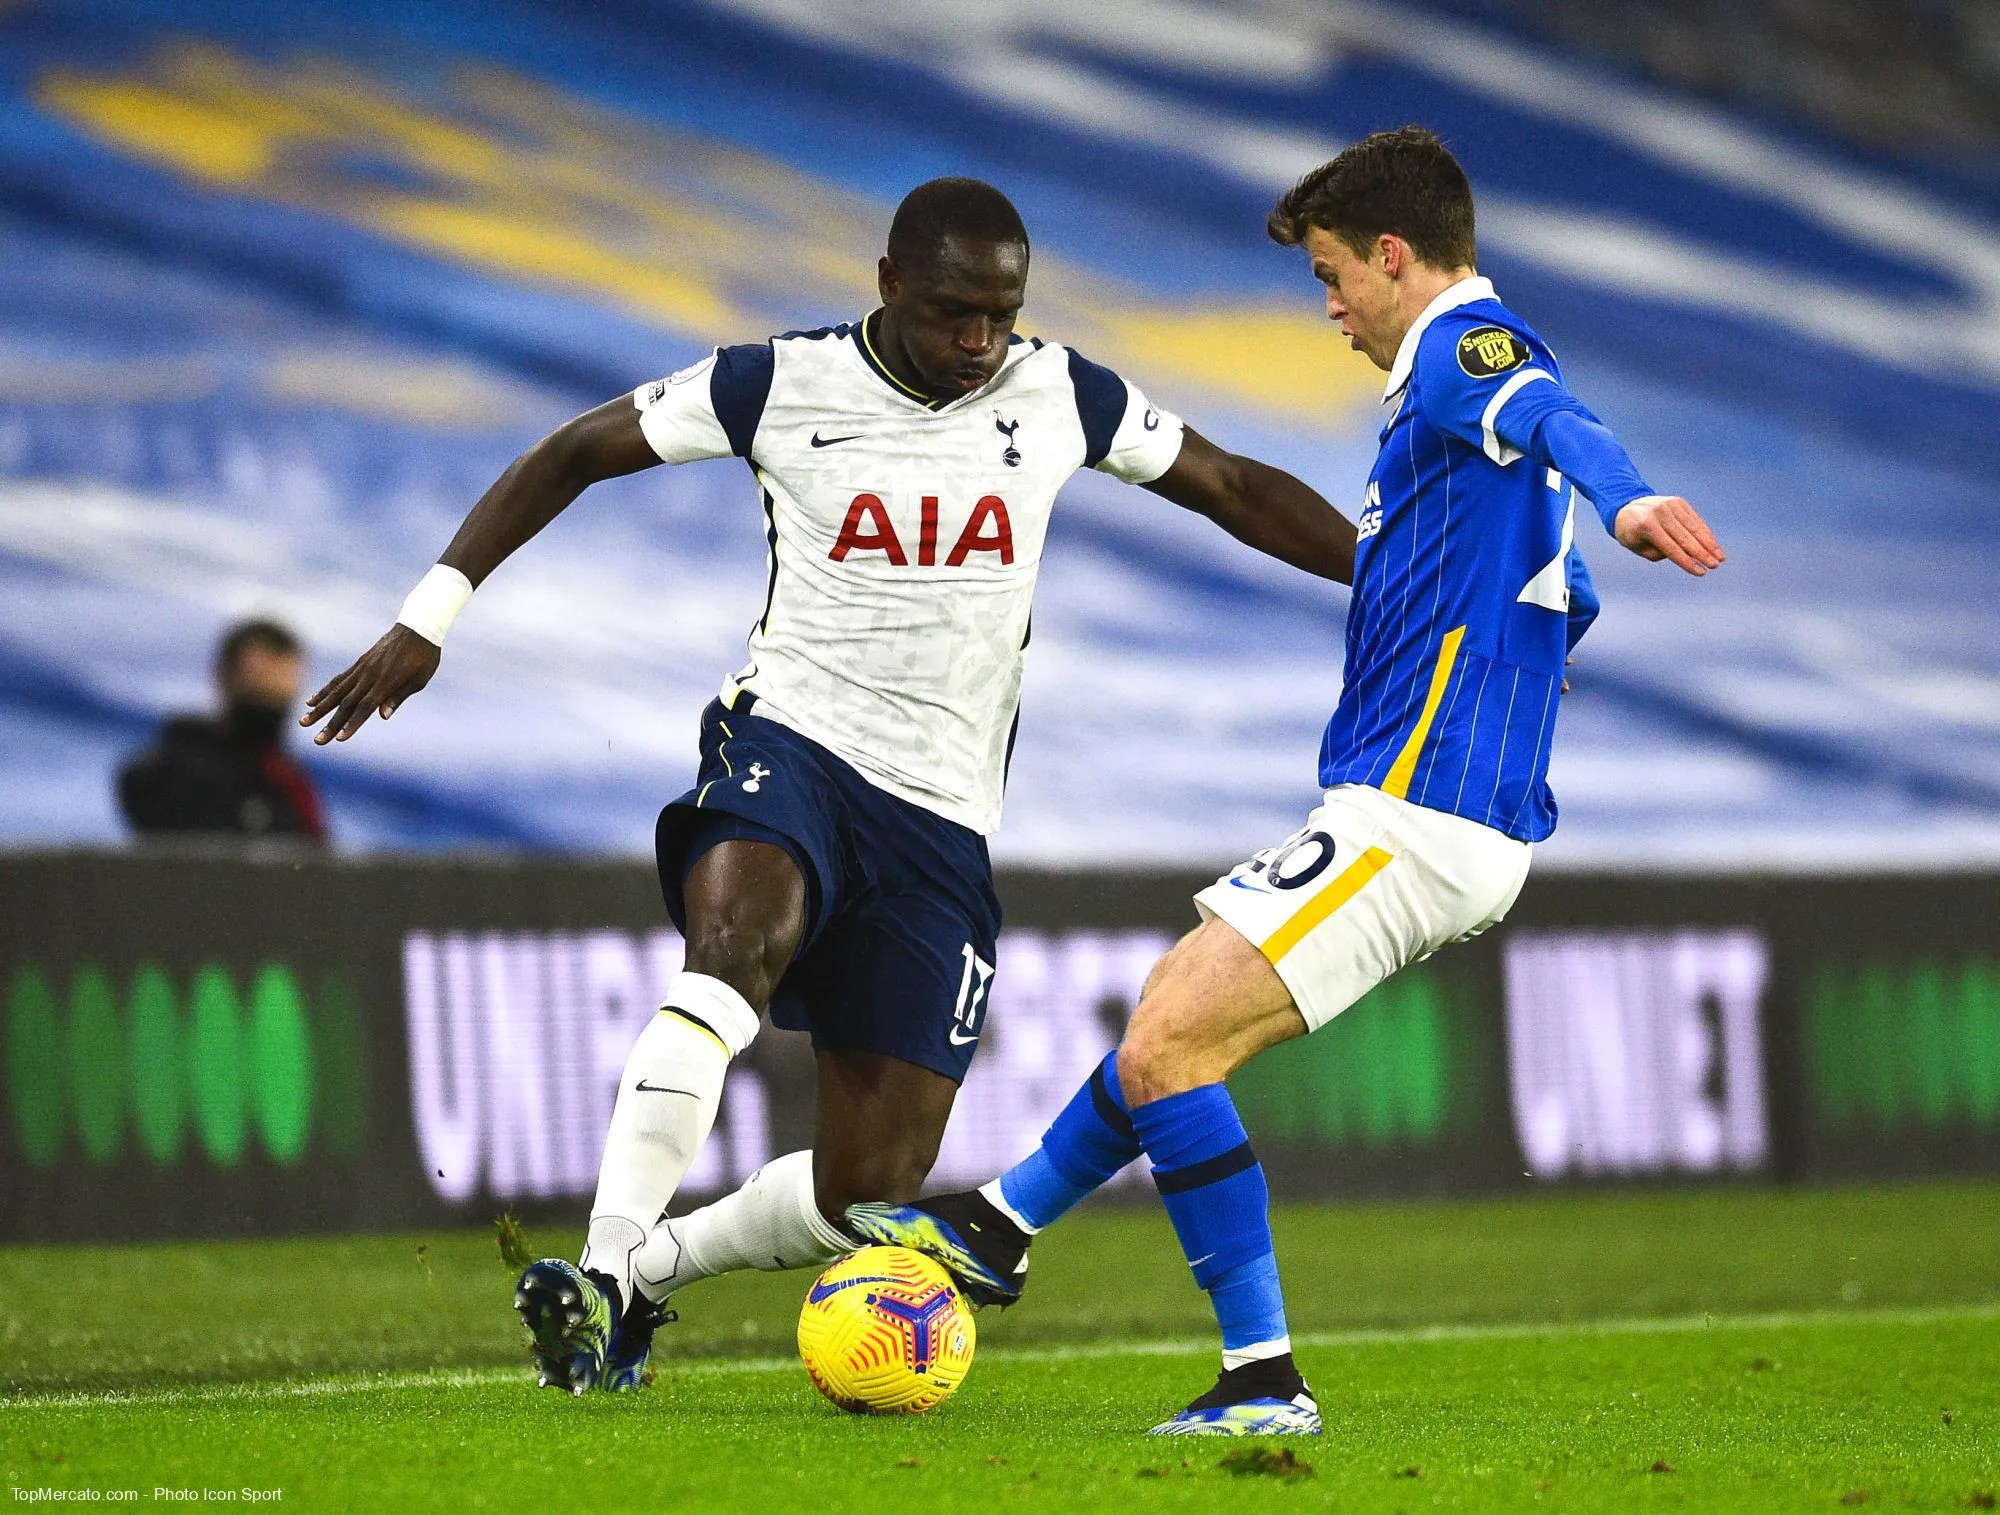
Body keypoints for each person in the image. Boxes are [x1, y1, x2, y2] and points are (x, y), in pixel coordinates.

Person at [299, 177, 1358, 1395]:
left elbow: (1227, 486)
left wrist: (1389, 579)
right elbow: (573, 450)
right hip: (792, 742)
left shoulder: (1059, 391)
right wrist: (426, 619)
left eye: (1001, 314)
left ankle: (642, 1285)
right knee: (737, 941)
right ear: (888, 282)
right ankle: (595, 1274)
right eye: (956, 310)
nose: (980, 340)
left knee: (871, 1188)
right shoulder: (778, 383)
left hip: (944, 816)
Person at [848, 128, 1728, 1435]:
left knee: (1164, 1046)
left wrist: (1632, 497)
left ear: (1392, 256)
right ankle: (998, 1224)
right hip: (1427, 806)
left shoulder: (1462, 349)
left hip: (1421, 810)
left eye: (1332, 275)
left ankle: (1264, 1377)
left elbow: (1552, 411)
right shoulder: (1454, 441)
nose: (1328, 308)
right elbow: (1566, 593)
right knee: (1170, 1018)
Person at [118, 618, 328, 845]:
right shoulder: (170, 769)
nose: (271, 692)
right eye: (258, 682)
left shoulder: (291, 784)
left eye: (282, 687)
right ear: (224, 677)